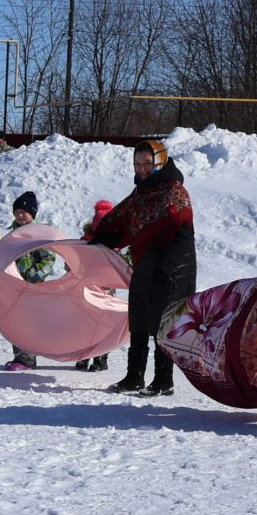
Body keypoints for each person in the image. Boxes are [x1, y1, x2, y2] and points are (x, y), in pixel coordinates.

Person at [89, 139, 194, 397]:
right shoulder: (140, 194)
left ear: (160, 161)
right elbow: (125, 226)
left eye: (148, 163)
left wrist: (167, 269)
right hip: (144, 264)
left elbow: (183, 236)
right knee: (138, 318)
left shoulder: (175, 191)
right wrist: (104, 238)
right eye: (137, 163)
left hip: (171, 269)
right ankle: (134, 376)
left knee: (162, 324)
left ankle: (163, 381)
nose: (142, 169)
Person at [2, 191, 53, 370]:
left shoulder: (39, 235)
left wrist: (33, 276)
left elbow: (48, 260)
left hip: (33, 287)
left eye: (24, 212)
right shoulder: (12, 234)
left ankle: (28, 359)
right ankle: (19, 357)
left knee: (28, 323)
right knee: (15, 321)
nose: (20, 215)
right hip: (14, 285)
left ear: (33, 213)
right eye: (17, 212)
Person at [72, 199, 116, 373]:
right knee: (84, 324)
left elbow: (124, 266)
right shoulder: (84, 243)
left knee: (102, 325)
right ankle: (83, 356)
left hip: (106, 292)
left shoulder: (116, 244)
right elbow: (72, 263)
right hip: (85, 290)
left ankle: (101, 358)